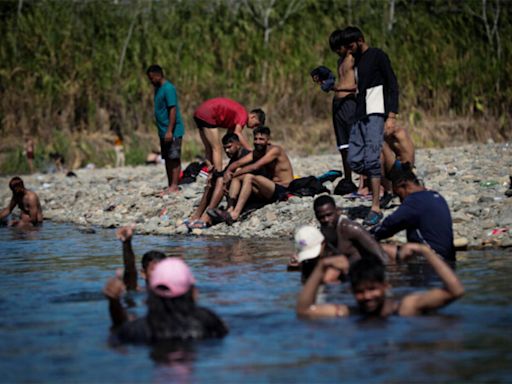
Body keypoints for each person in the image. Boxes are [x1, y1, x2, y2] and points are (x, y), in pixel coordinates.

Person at [296, 243, 464, 318]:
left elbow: (456, 291)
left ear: (385, 286)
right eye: (360, 292)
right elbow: (304, 310)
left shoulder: (406, 308)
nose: (367, 296)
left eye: (372, 289)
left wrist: (426, 252)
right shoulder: (350, 312)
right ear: (353, 292)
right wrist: (322, 266)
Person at [343, 26, 399, 226]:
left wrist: (391, 115)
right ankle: (393, 184)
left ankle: (375, 208)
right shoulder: (356, 61)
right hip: (360, 114)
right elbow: (355, 87)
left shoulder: (377, 55)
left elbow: (392, 83)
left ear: (360, 39)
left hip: (376, 112)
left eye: (350, 45)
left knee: (372, 160)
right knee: (355, 161)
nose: (348, 50)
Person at [103, 257, 228, 343]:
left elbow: (117, 332)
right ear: (194, 293)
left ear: (150, 293)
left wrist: (114, 303)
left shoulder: (135, 330)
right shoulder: (210, 322)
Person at [371, 163, 456, 262]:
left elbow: (388, 226)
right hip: (448, 258)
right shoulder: (437, 196)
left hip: (430, 260)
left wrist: (367, 236)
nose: (401, 201)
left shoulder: (414, 201)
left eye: (399, 195)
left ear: (403, 185)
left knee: (377, 249)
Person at [213, 126, 294, 224]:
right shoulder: (257, 152)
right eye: (255, 139)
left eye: (261, 139)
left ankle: (235, 214)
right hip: (269, 189)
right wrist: (227, 172)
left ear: (268, 140)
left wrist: (232, 175)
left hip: (283, 189)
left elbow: (255, 166)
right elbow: (237, 163)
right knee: (239, 176)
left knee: (249, 176)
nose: (257, 142)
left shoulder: (275, 150)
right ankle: (229, 209)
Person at [187, 133, 251, 229]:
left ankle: (207, 216)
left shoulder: (246, 155)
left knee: (221, 181)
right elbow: (225, 172)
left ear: (238, 144)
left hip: (247, 191)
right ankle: (197, 215)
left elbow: (245, 173)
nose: (227, 151)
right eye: (225, 148)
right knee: (213, 180)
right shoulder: (235, 157)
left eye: (229, 147)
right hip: (236, 187)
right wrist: (213, 176)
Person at [193, 97, 265, 173]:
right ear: (253, 116)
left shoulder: (237, 116)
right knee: (217, 148)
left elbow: (229, 138)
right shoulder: (243, 115)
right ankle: (218, 176)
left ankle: (209, 172)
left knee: (209, 148)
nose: (254, 128)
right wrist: (250, 150)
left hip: (199, 112)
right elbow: (237, 133)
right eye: (256, 124)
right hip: (208, 113)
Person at [328, 29, 359, 194]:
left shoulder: (355, 59)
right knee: (343, 146)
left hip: (350, 104)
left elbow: (357, 86)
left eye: (338, 48)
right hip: (337, 105)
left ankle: (363, 181)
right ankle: (348, 178)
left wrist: (338, 87)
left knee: (356, 142)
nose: (337, 52)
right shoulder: (340, 60)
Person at [313, 195, 387, 263]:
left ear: (337, 211)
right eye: (321, 217)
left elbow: (380, 255)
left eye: (329, 215)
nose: (326, 219)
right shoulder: (324, 230)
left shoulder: (350, 228)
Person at [146, 64, 185, 195]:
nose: (151, 81)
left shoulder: (168, 88)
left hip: (172, 130)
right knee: (167, 158)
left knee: (174, 158)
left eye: (152, 78)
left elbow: (172, 109)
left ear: (158, 75)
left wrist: (170, 130)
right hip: (163, 131)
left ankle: (175, 186)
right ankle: (170, 185)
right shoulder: (158, 89)